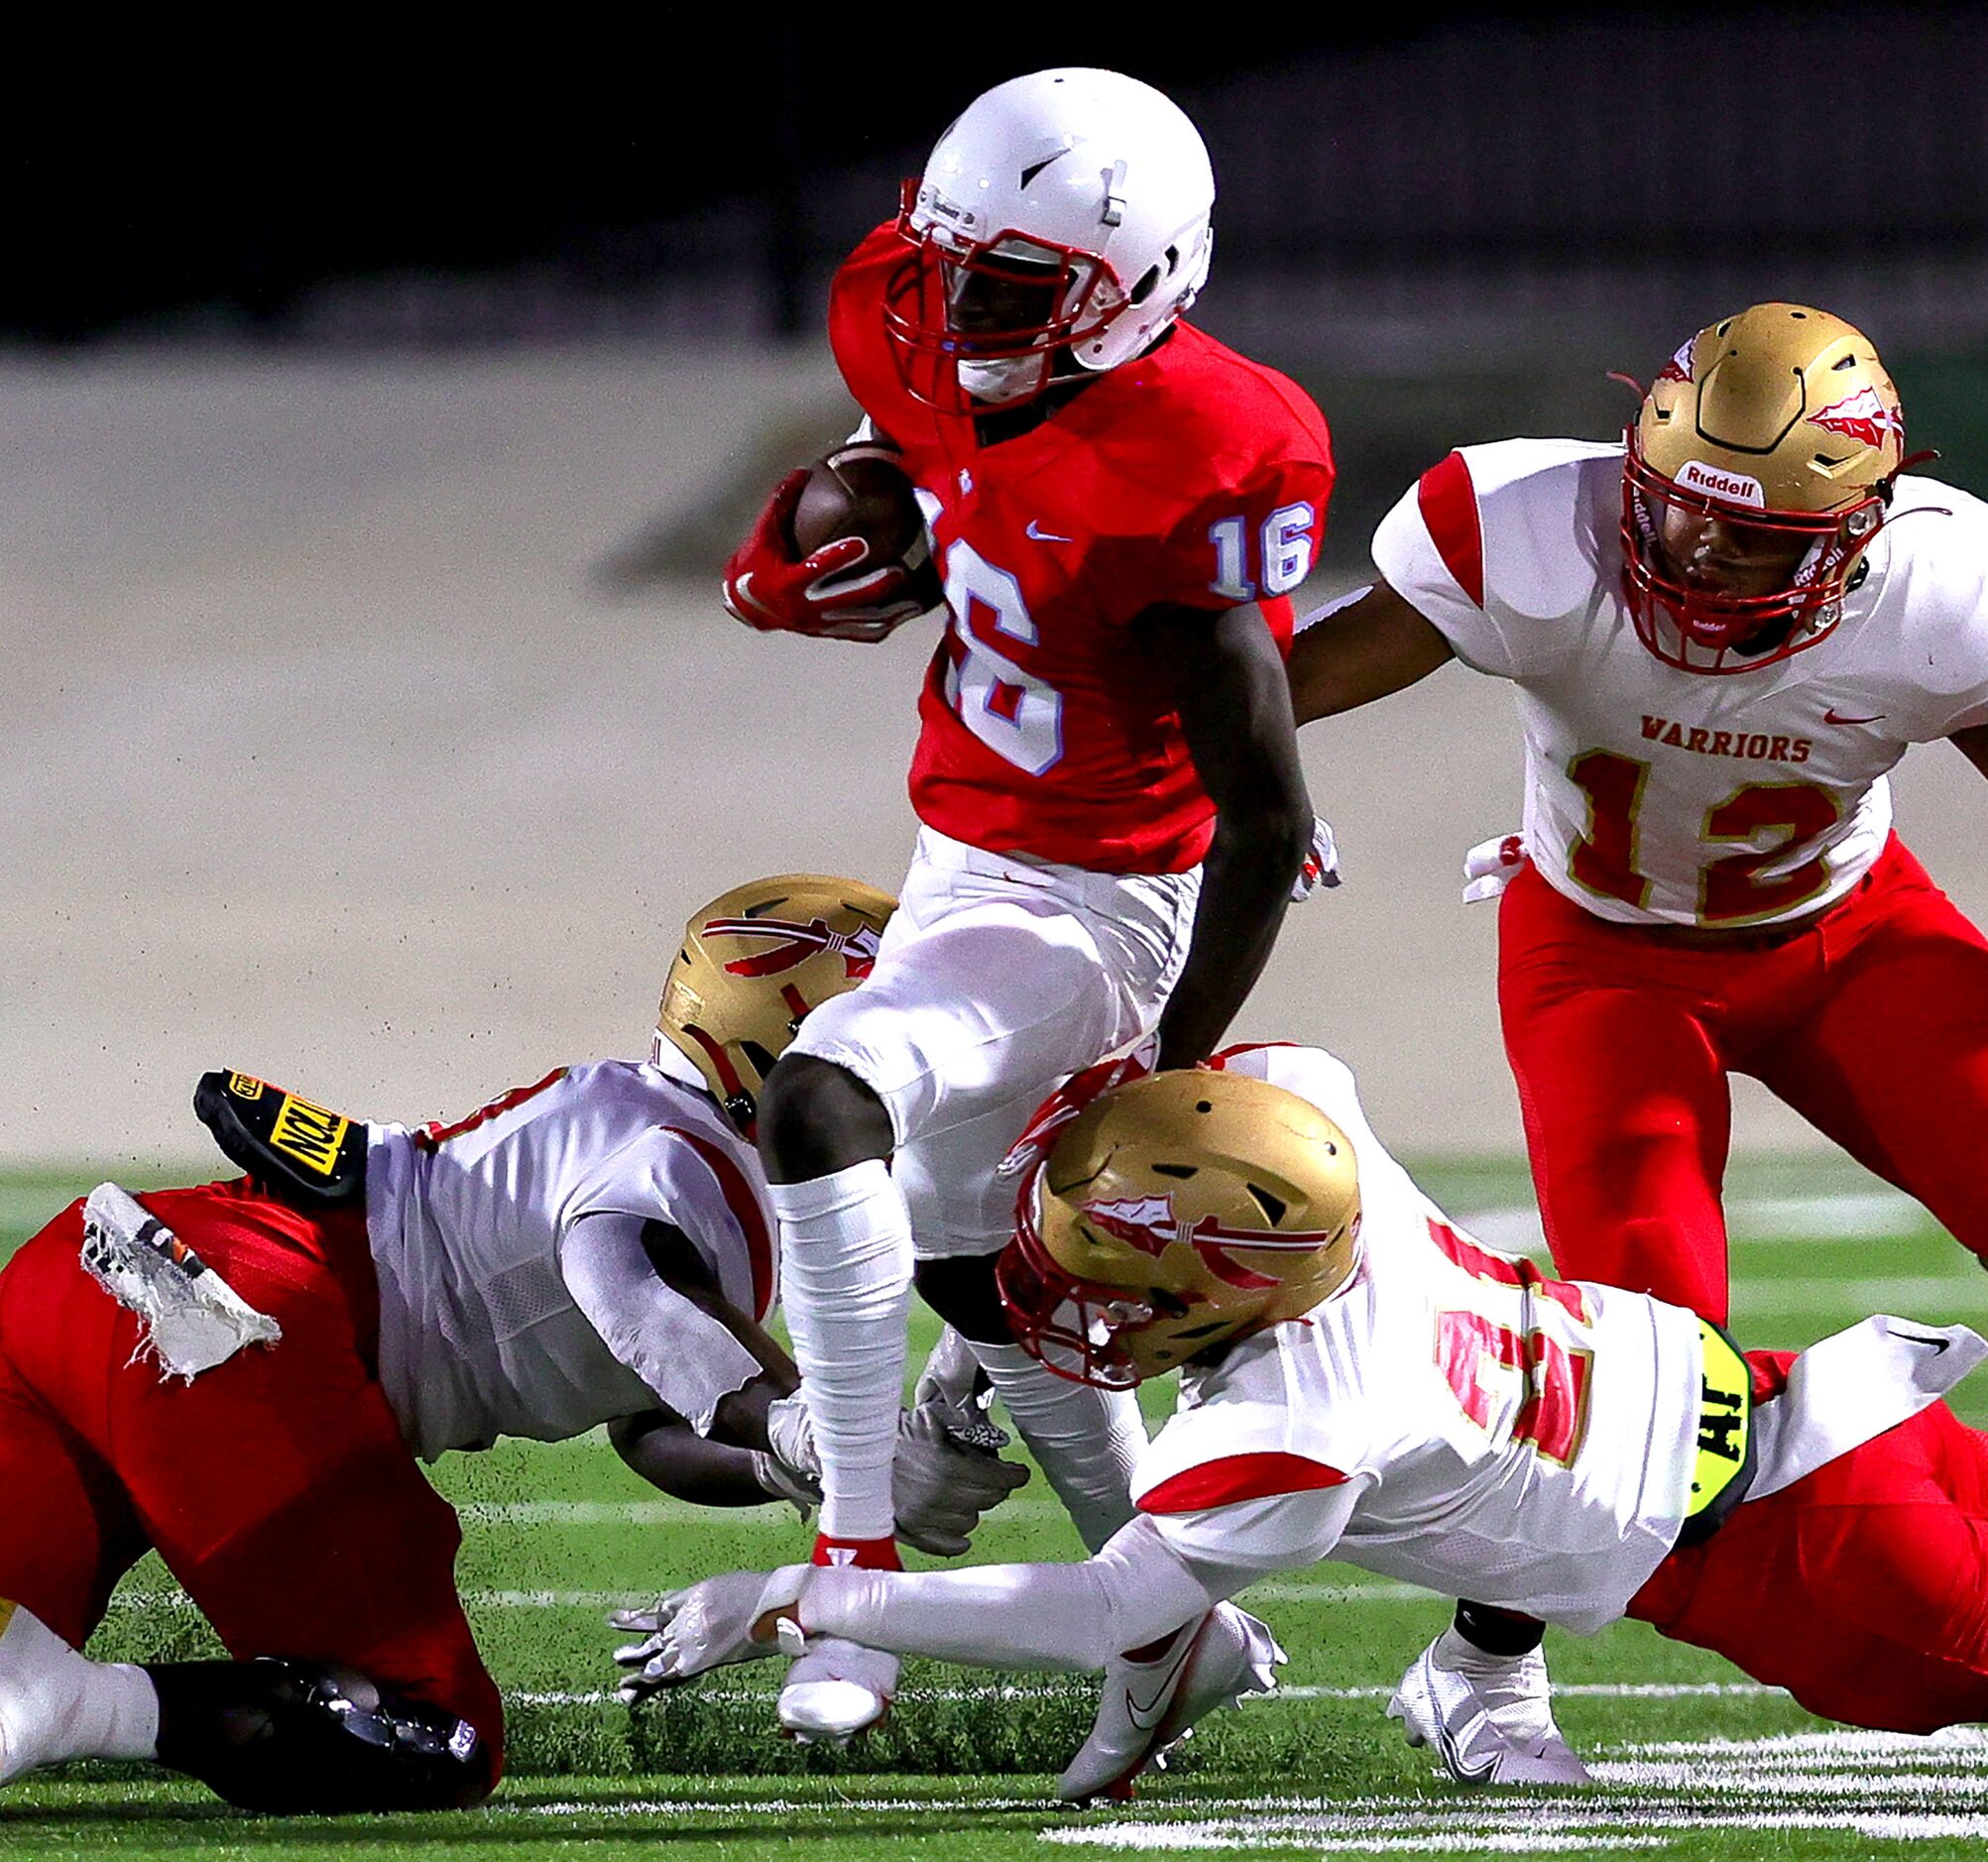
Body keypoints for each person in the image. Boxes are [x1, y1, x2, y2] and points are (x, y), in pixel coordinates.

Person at [613, 1042, 1988, 1799]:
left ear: (1226, 1284)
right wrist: (970, 1358)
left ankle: (1476, 1686)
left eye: (1113, 1275)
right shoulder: (1300, 1123)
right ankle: (1474, 1686)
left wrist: (805, 1596)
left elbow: (1100, 1609)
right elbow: (1227, 1069)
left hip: (1821, 1565)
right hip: (1829, 1411)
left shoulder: (1298, 1412)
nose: (1066, 1297)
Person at [715, 65, 1334, 1772]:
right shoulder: (904, 307)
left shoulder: (1209, 445)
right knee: (977, 1282)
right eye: (953, 268)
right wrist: (847, 515)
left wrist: (1172, 1055)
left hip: (1099, 896)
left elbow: (1262, 801)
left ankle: (852, 1568)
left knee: (825, 1092)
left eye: (1010, 289)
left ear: (1140, 284)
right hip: (957, 848)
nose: (958, 310)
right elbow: (919, 456)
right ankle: (1175, 1623)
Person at [0, 873, 1022, 1810]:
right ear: (785, 1044)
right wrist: (831, 1438)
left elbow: (652, 1415)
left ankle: (35, 1697)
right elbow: (625, 1282)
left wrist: (787, 1461)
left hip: (88, 1281)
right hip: (229, 1334)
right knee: (436, 1736)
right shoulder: (682, 1161)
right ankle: (76, 1711)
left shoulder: (637, 1121)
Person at [1285, 301, 1988, 1464]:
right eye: (1679, 508)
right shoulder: (1527, 533)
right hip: (1600, 957)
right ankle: (1495, 1643)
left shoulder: (1949, 594)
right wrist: (1245, 789)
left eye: (1755, 537)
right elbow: (1263, 691)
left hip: (1847, 935)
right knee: (1654, 1363)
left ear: (1860, 529)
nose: (1701, 551)